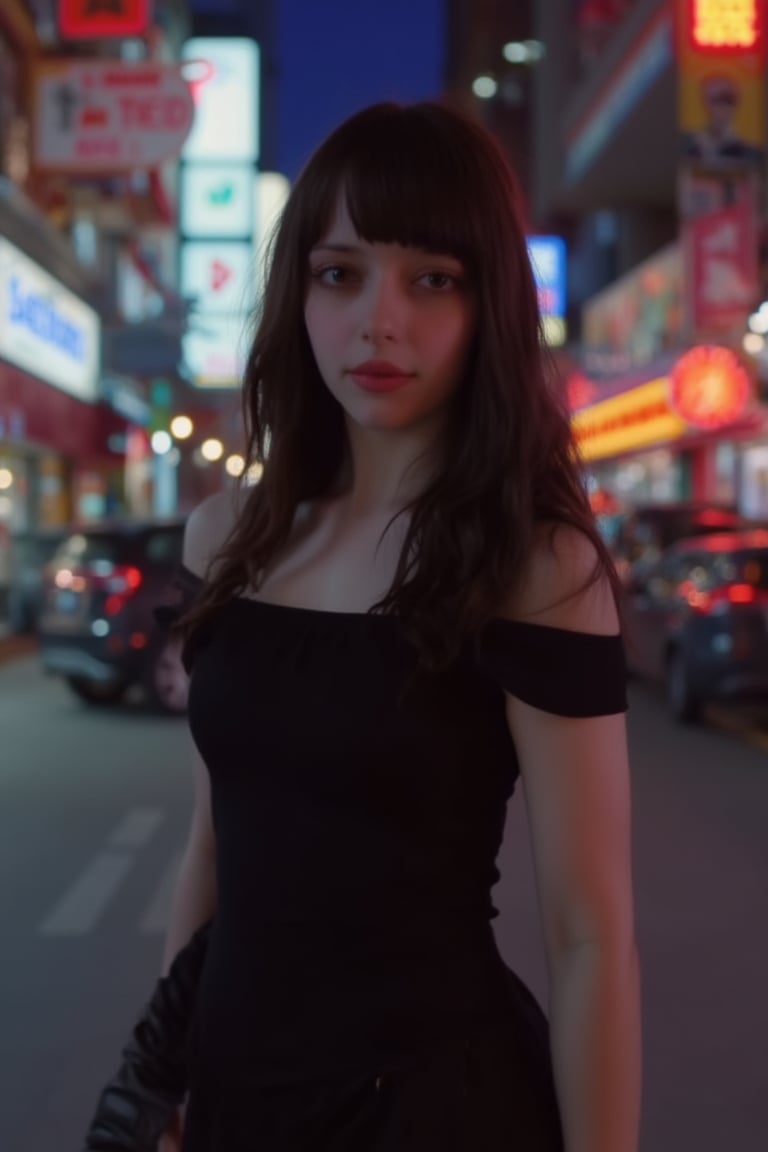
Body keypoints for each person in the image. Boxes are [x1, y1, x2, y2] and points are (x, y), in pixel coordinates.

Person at [83, 100, 640, 1152]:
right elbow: (214, 851)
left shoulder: (533, 564)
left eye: (433, 278)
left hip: (435, 1110)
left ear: (489, 308)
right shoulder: (227, 539)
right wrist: (168, 1078)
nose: (379, 320)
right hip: (237, 1098)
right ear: (298, 293)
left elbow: (590, 933)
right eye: (340, 273)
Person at [681, 74, 764, 167]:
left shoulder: (753, 154)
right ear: (705, 102)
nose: (722, 106)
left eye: (728, 99)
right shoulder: (686, 144)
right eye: (716, 99)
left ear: (737, 103)